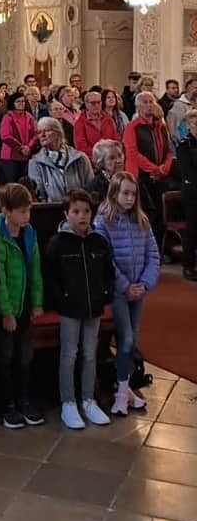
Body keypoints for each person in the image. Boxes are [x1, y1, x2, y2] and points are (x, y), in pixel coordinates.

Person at [45, 189, 114, 429]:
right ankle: (68, 402)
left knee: (90, 353)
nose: (82, 216)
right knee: (69, 354)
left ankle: (88, 399)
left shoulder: (98, 242)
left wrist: (105, 294)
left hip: (93, 306)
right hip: (69, 308)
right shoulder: (58, 243)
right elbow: (50, 276)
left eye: (86, 211)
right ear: (66, 214)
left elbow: (108, 272)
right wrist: (60, 299)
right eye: (76, 211)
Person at [95, 172, 160, 416]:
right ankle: (122, 394)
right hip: (118, 292)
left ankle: (125, 389)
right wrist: (125, 286)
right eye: (125, 193)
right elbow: (105, 259)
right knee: (127, 340)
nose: (130, 198)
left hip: (138, 291)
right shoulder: (104, 221)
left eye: (133, 194)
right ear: (114, 193)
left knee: (131, 342)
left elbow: (153, 255)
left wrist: (144, 284)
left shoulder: (142, 220)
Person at [0, 183, 44, 429]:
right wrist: (6, 312)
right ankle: (7, 404)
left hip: (24, 306)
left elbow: (35, 270)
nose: (27, 216)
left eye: (28, 210)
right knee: (5, 357)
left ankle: (24, 400)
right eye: (22, 211)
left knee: (25, 357)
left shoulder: (29, 233)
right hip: (6, 310)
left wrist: (37, 301)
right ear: (6, 211)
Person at [123, 91, 174, 242]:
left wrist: (164, 168)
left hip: (160, 177)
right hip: (141, 177)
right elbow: (132, 153)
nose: (149, 105)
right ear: (138, 106)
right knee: (145, 215)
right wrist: (154, 169)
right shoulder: (132, 127)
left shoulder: (161, 126)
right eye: (145, 102)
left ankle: (159, 248)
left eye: (151, 102)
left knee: (160, 217)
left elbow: (169, 151)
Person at [28, 117, 93, 202]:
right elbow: (39, 196)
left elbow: (91, 189)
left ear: (58, 133)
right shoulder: (35, 163)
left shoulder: (80, 158)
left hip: (78, 208)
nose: (42, 135)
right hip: (50, 209)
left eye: (46, 130)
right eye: (39, 132)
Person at [176, 109, 197, 278]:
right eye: (196, 124)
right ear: (189, 126)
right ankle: (188, 265)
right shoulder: (184, 145)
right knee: (192, 229)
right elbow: (188, 172)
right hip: (192, 193)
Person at [0, 91, 37, 183]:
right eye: (18, 101)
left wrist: (29, 147)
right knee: (12, 183)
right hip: (10, 156)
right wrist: (20, 148)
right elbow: (5, 136)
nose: (21, 103)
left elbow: (35, 134)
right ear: (13, 103)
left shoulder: (29, 116)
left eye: (23, 101)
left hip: (26, 154)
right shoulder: (8, 117)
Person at [73, 88, 119, 159]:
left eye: (99, 102)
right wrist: (100, 156)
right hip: (91, 160)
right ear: (86, 104)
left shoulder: (108, 119)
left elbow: (116, 139)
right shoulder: (80, 123)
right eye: (93, 103)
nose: (97, 105)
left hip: (110, 159)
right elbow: (81, 147)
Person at [88, 139, 125, 203]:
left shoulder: (133, 181)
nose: (119, 160)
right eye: (112, 158)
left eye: (120, 156)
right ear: (101, 162)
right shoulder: (93, 188)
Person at [167, 77, 197, 143]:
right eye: (196, 87)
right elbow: (175, 129)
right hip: (186, 143)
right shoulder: (178, 105)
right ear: (188, 87)